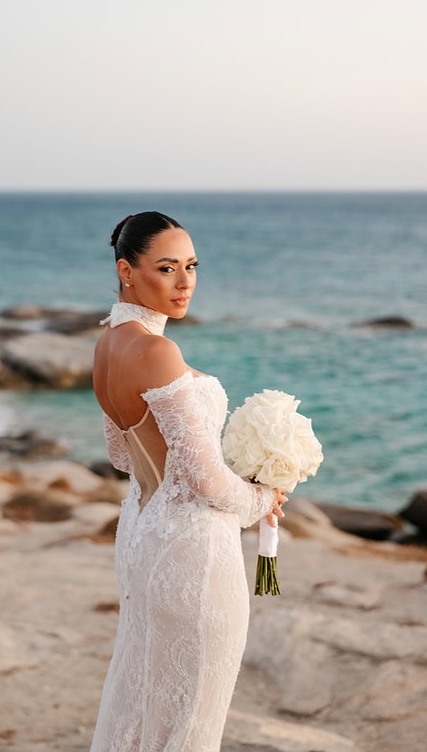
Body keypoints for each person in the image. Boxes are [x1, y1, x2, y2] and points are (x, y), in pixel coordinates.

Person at [90, 211, 286, 752]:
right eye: (167, 268)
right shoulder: (157, 350)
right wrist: (262, 495)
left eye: (192, 267)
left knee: (141, 700)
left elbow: (122, 457)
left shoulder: (108, 343)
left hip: (140, 536)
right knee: (192, 718)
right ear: (127, 271)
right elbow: (202, 479)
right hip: (192, 553)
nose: (185, 283)